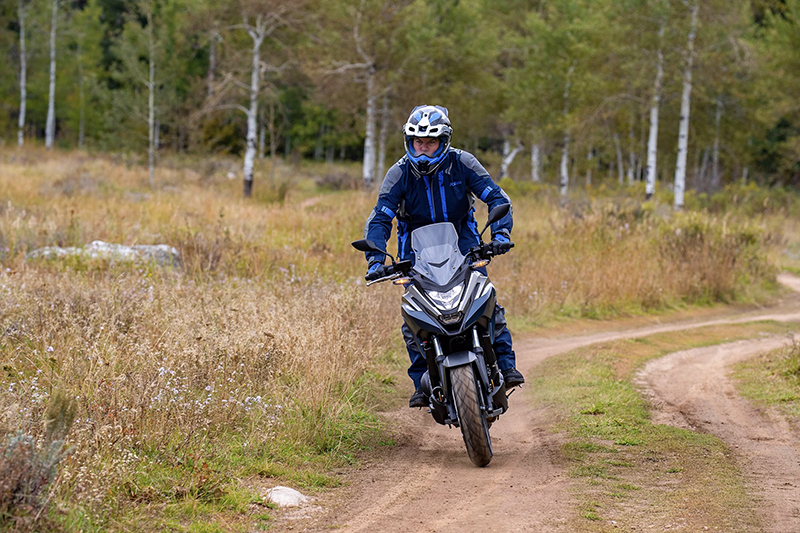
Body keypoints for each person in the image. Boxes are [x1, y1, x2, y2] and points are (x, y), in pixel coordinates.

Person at [363, 104, 525, 408]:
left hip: (466, 250)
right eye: (418, 143)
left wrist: (500, 235)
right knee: (413, 321)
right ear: (409, 142)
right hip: (415, 258)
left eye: (431, 142)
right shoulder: (398, 173)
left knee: (489, 306)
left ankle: (505, 365)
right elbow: (381, 218)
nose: (423, 150)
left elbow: (496, 197)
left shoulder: (463, 163)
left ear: (444, 141)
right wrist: (376, 260)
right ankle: (423, 382)